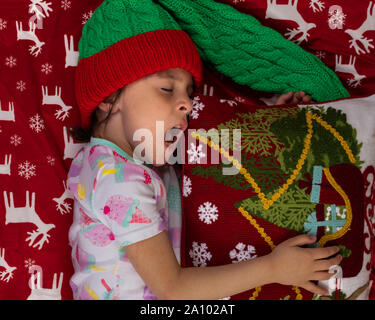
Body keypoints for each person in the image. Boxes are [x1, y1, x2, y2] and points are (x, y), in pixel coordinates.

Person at [67, 0, 341, 300]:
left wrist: (268, 126)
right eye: (167, 89)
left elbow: (221, 162)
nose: (188, 105)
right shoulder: (118, 178)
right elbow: (173, 289)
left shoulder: (140, 160)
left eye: (190, 93)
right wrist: (273, 269)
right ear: (109, 98)